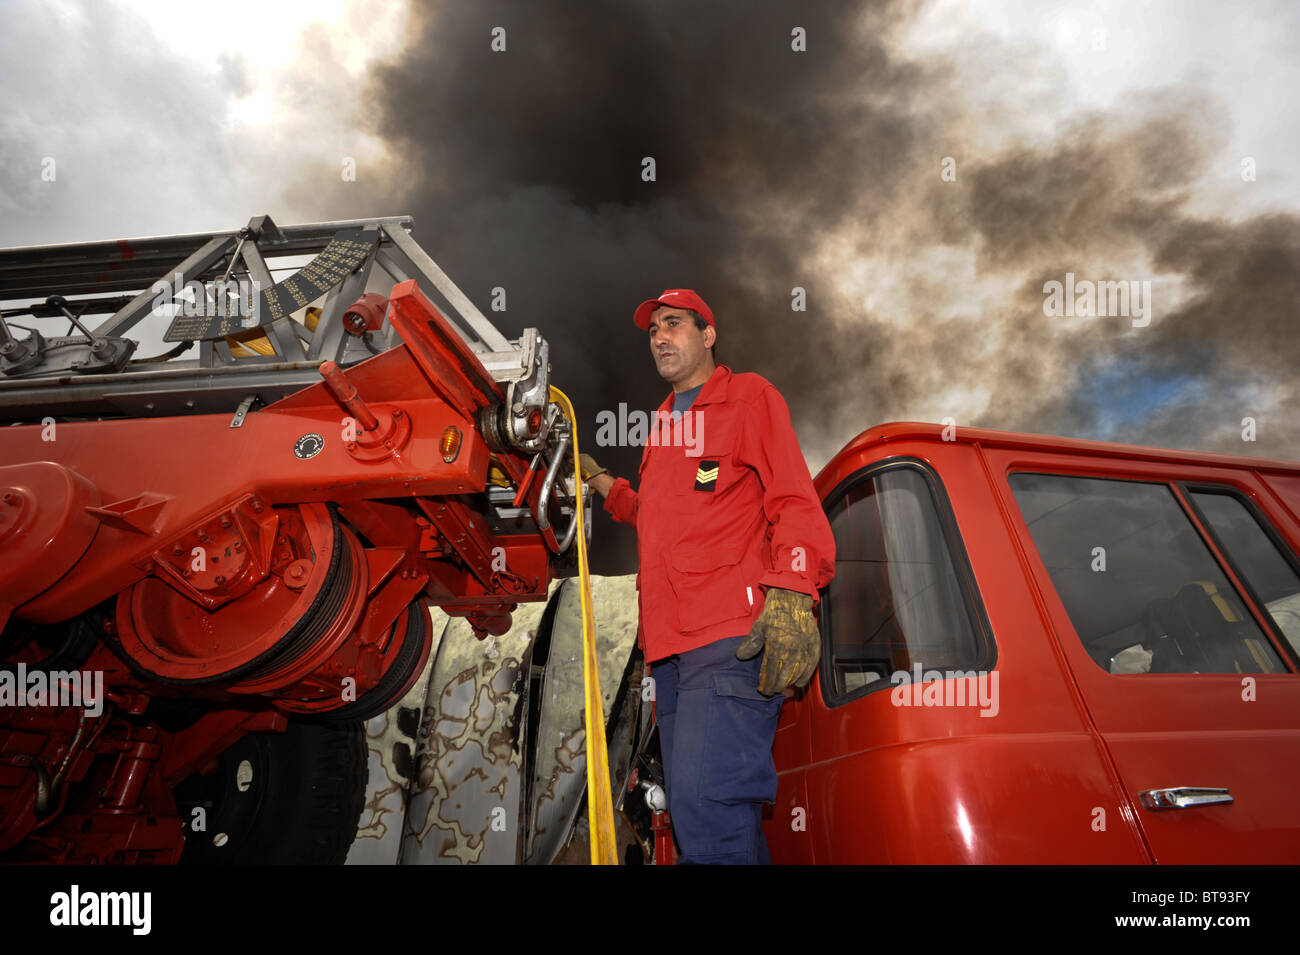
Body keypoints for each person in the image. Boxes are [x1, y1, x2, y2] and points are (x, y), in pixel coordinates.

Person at [580, 288, 835, 864]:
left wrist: (794, 591)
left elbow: (792, 498)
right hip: (668, 652)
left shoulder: (747, 397)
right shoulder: (665, 425)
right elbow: (659, 517)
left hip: (727, 642)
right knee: (702, 822)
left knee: (707, 807)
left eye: (674, 325)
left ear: (708, 335)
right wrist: (600, 482)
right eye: (653, 332)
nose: (661, 338)